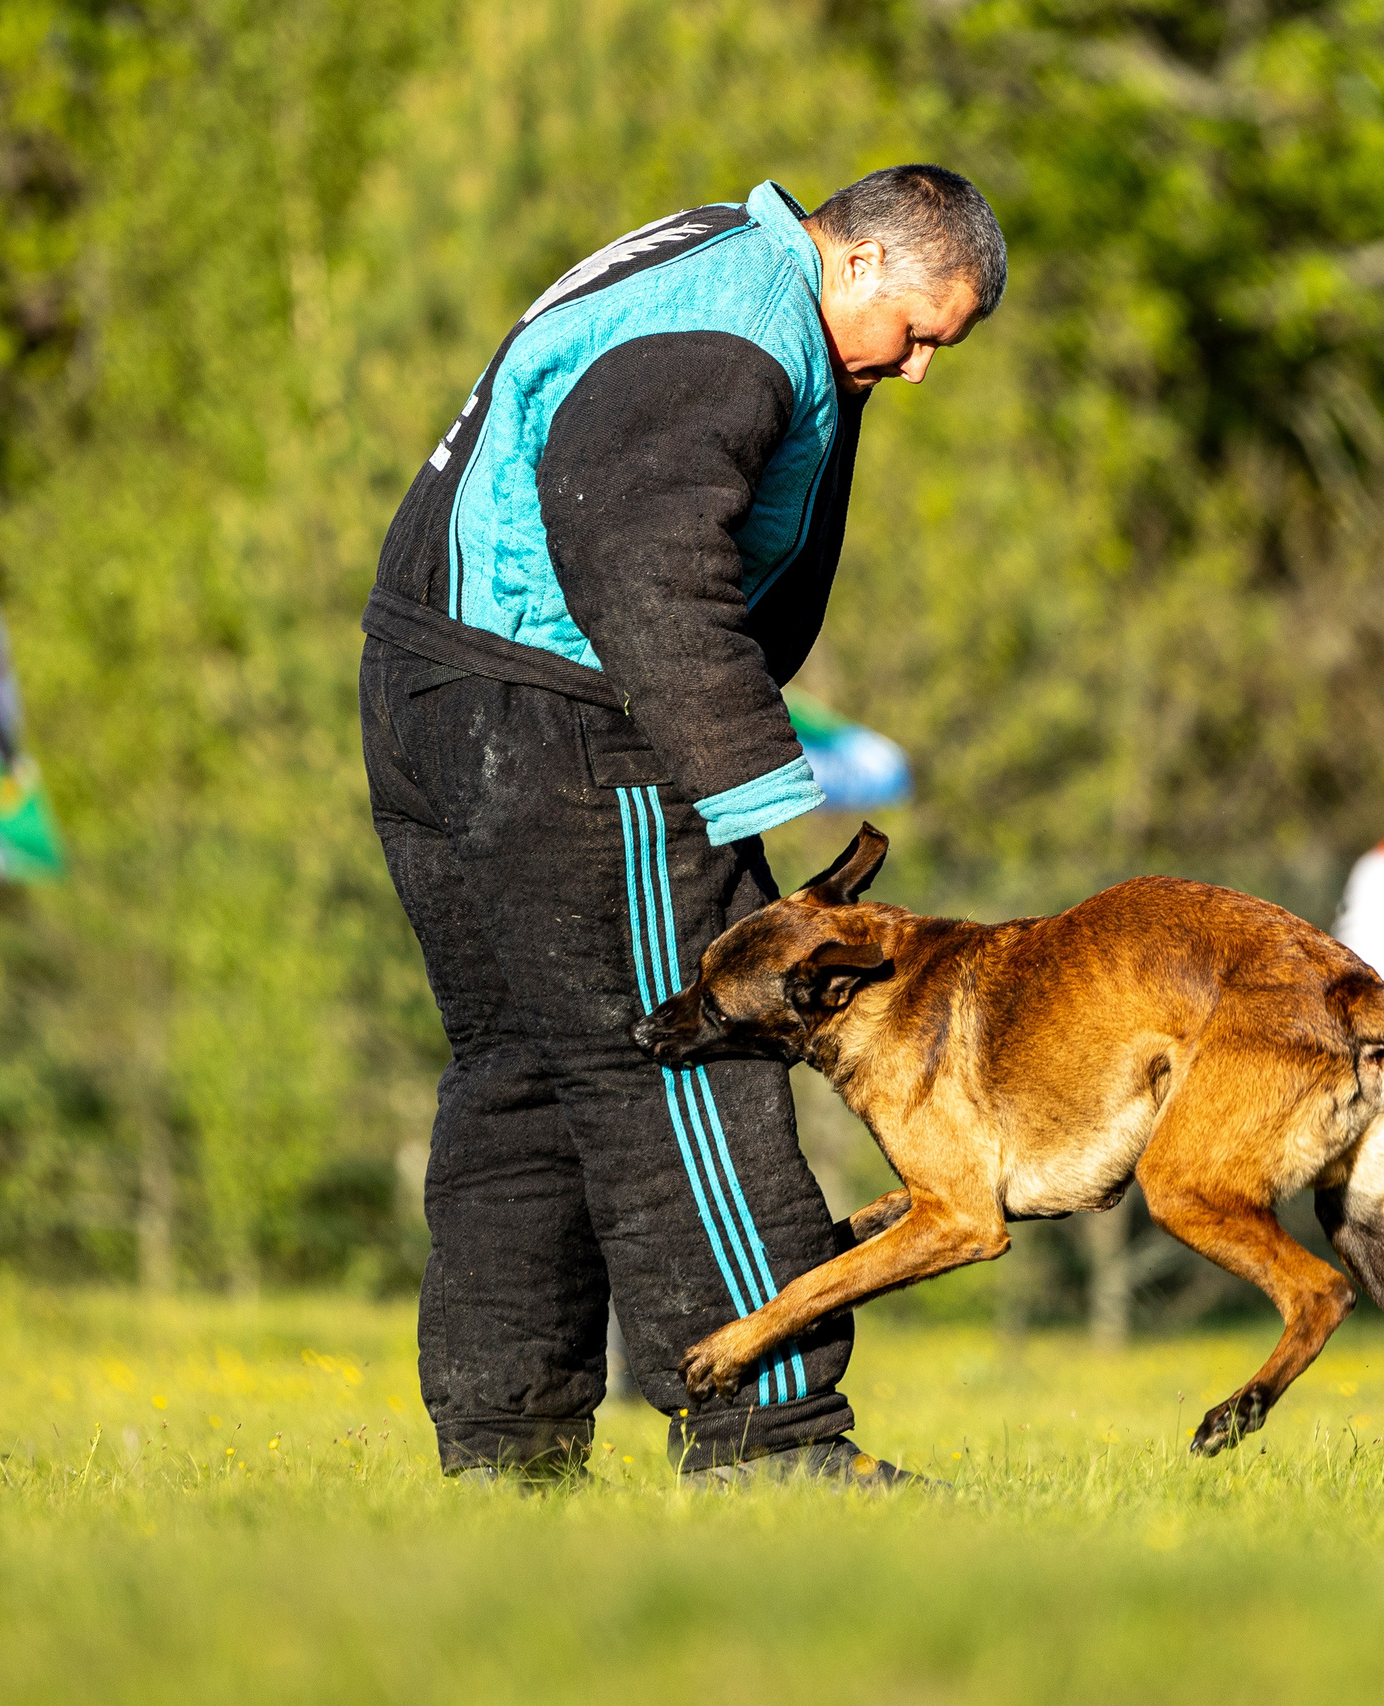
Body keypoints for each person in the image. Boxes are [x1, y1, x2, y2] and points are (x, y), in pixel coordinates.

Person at [357, 166, 1006, 1487]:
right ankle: (771, 1438)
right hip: (566, 719)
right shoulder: (737, 335)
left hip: (433, 690)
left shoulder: (701, 260)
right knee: (691, 1056)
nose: (921, 369)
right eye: (925, 333)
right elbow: (643, 556)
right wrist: (756, 787)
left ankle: (506, 1453)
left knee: (528, 1068)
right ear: (866, 261)